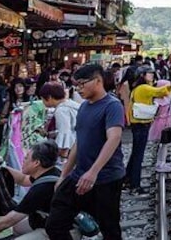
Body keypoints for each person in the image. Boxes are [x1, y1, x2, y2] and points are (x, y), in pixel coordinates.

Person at [45, 63, 125, 240]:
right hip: (79, 175)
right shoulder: (83, 107)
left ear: (97, 81)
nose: (79, 89)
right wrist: (64, 175)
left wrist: (93, 172)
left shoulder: (112, 105)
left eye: (82, 83)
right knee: (55, 223)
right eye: (76, 84)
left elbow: (114, 138)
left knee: (108, 228)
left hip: (105, 178)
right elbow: (78, 142)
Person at [0, 140, 72, 238]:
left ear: (36, 163)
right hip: (46, 220)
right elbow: (23, 179)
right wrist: (2, 166)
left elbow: (8, 221)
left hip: (60, 231)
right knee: (17, 227)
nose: (23, 160)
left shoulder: (41, 189)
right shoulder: (52, 171)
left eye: (26, 157)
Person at [125, 65, 171, 194]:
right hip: (141, 125)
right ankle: (135, 186)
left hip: (137, 124)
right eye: (149, 74)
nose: (152, 75)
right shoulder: (144, 88)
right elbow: (161, 92)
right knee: (138, 156)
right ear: (142, 75)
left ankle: (128, 180)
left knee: (135, 154)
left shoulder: (136, 88)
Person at [39, 83, 80, 165]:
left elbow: (65, 134)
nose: (42, 102)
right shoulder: (70, 103)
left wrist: (62, 158)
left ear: (49, 97)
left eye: (43, 99)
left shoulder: (61, 110)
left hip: (74, 150)